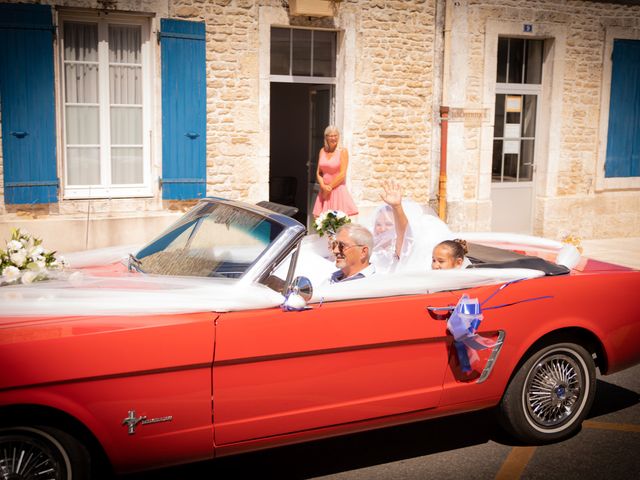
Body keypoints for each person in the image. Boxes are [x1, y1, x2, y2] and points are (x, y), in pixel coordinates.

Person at [312, 126, 358, 217]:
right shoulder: (322, 151)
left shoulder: (342, 151)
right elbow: (319, 172)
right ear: (326, 137)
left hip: (337, 191)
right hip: (324, 190)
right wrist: (323, 186)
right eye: (331, 136)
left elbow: (342, 174)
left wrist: (329, 187)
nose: (333, 138)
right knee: (320, 220)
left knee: (336, 221)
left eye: (335, 135)